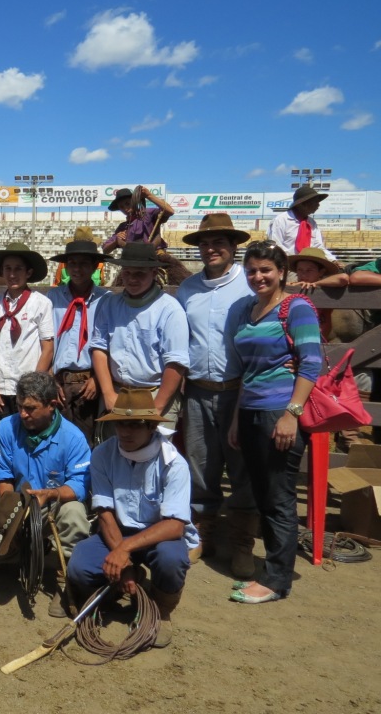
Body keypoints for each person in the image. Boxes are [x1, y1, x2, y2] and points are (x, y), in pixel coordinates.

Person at [226, 240, 322, 604]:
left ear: (282, 272)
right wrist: (237, 418)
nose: (258, 276)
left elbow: (311, 362)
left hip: (279, 412)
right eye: (252, 270)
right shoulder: (251, 310)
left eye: (265, 269)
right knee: (264, 494)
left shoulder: (296, 308)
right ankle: (272, 570)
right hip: (251, 411)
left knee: (279, 496)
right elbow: (247, 370)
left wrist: (291, 414)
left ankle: (277, 580)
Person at [67, 388, 198, 648]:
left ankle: (161, 611)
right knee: (79, 566)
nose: (125, 432)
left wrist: (125, 550)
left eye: (135, 425)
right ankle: (120, 584)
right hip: (116, 531)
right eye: (120, 425)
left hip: (158, 535)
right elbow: (105, 514)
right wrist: (124, 563)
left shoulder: (174, 463)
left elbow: (174, 526)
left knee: (172, 559)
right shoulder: (103, 454)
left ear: (150, 426)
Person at [175, 214, 259, 576]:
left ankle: (242, 541)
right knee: (200, 465)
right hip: (197, 389)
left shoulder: (250, 286)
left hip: (239, 390)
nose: (211, 249)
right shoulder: (188, 290)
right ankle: (204, 533)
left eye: (219, 242)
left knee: (243, 466)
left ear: (234, 247)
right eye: (205, 244)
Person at [0, 372, 92, 618]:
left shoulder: (73, 438)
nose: (23, 414)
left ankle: (64, 581)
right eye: (19, 407)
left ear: (52, 405)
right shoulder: (7, 427)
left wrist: (51, 494)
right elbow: (4, 477)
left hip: (53, 507)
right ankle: (33, 555)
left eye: (30, 408)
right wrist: (11, 518)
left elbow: (79, 486)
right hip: (20, 507)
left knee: (75, 514)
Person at [91, 242, 189, 430]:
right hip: (118, 393)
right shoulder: (110, 304)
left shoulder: (170, 310)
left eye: (140, 274)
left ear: (154, 273)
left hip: (154, 394)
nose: (132, 279)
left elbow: (175, 363)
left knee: (156, 454)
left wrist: (157, 408)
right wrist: (109, 393)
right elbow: (99, 348)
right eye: (127, 272)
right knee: (116, 451)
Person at [48, 235, 111, 443]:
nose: (77, 269)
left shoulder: (106, 300)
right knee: (59, 438)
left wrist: (97, 379)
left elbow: (110, 342)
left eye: (84, 264)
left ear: (95, 267)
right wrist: (51, 377)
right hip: (60, 381)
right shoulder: (53, 298)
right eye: (72, 264)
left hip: (89, 382)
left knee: (88, 439)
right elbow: (47, 340)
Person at [0, 242, 54, 419]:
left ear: (28, 272)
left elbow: (48, 349)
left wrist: (33, 389)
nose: (12, 274)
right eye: (8, 269)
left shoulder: (41, 303)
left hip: (28, 389)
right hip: (0, 389)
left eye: (18, 269)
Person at [102, 186, 189, 285]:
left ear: (134, 202)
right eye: (121, 207)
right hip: (131, 262)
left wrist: (149, 195)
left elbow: (170, 211)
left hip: (156, 256)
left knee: (181, 280)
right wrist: (116, 241)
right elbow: (105, 249)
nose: (125, 208)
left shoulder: (148, 214)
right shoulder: (122, 227)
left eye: (127, 203)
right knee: (118, 288)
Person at [266, 185, 338, 262]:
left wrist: (333, 260)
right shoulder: (280, 220)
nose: (318, 205)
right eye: (315, 202)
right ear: (302, 204)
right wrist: (295, 260)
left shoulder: (312, 223)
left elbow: (318, 246)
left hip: (307, 264)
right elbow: (275, 245)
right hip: (286, 263)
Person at [288, 246, 345, 340]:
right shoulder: (293, 286)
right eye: (300, 270)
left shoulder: (325, 286)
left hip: (320, 337)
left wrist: (314, 284)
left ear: (321, 272)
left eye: (309, 270)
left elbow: (343, 278)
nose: (303, 274)